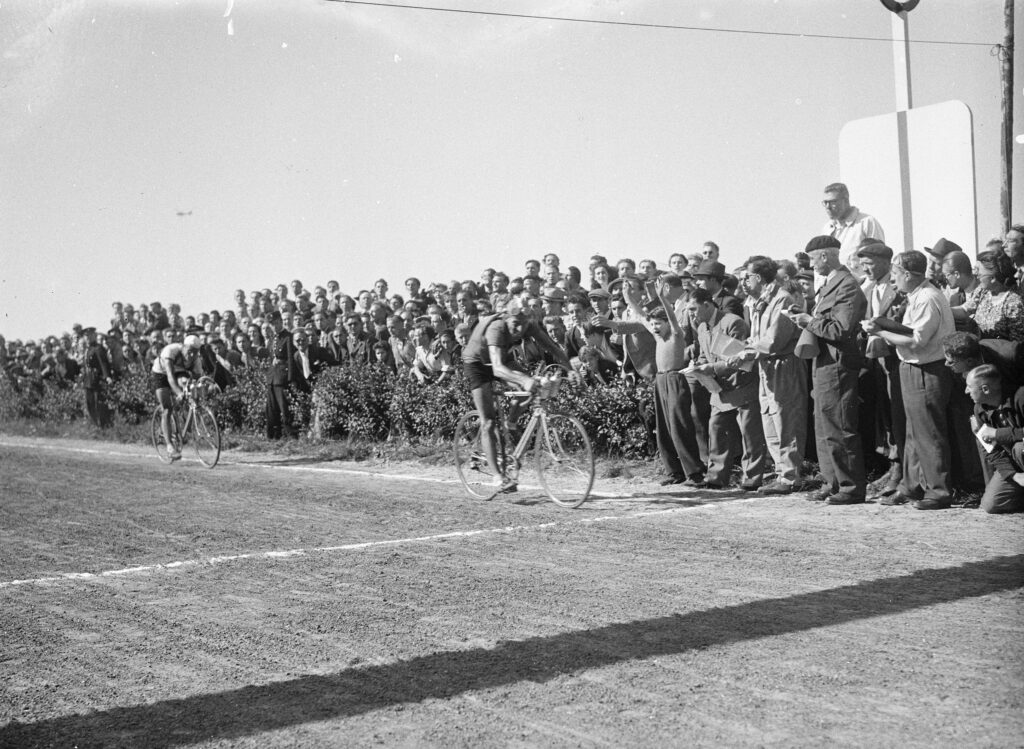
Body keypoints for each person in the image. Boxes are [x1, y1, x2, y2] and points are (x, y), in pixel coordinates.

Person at [863, 250, 956, 509]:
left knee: (929, 433)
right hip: (913, 369)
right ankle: (911, 486)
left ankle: (938, 491)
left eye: (895, 274)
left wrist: (880, 331)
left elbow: (916, 342)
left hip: (928, 370)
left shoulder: (927, 297)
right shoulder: (917, 295)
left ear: (907, 274)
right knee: (913, 433)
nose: (893, 280)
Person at [785, 236, 867, 504]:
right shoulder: (832, 284)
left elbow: (840, 329)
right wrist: (806, 318)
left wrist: (809, 320)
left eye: (813, 258)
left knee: (839, 424)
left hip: (838, 362)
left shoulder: (847, 285)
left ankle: (850, 487)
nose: (811, 264)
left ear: (825, 256)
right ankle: (832, 481)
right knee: (824, 425)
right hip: (824, 362)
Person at [461, 301, 572, 493]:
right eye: (515, 324)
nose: (519, 330)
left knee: (530, 389)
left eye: (523, 324)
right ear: (506, 319)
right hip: (477, 363)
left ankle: (510, 426)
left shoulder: (528, 325)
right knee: (488, 421)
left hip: (502, 358)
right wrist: (523, 379)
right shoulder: (497, 327)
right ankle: (498, 477)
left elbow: (552, 348)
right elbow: (497, 369)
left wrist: (571, 370)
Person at [736, 256, 808, 494]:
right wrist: (747, 347)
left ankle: (790, 476)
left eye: (747, 276)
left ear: (758, 277)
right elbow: (759, 338)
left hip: (782, 364)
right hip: (764, 365)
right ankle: (781, 473)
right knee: (769, 419)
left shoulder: (782, 299)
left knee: (785, 419)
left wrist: (746, 352)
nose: (744, 282)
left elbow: (775, 339)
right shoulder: (759, 302)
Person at [685, 288, 766, 490]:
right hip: (720, 390)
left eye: (694, 309)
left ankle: (752, 479)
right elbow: (704, 355)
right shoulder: (702, 326)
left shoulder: (733, 322)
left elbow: (737, 359)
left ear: (707, 304)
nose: (691, 314)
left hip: (743, 387)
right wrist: (698, 367)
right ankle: (716, 478)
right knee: (717, 431)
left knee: (750, 435)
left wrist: (710, 368)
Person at [857, 242, 906, 498]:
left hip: (896, 358)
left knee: (896, 412)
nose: (865, 268)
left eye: (870, 263)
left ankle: (900, 469)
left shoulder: (898, 288)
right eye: (862, 263)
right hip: (876, 358)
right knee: (884, 413)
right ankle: (891, 465)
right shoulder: (869, 289)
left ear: (886, 262)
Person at [966, 364, 1024, 513]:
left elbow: (995, 436)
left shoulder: (1020, 396)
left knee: (1020, 449)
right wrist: (1013, 475)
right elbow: (991, 449)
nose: (966, 391)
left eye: (969, 386)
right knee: (991, 504)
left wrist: (998, 434)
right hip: (1014, 463)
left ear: (985, 389)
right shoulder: (979, 409)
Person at [150, 333, 203, 461]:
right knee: (167, 409)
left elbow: (197, 380)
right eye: (189, 351)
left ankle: (186, 424)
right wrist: (179, 393)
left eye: (195, 352)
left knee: (188, 386)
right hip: (161, 373)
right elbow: (169, 377)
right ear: (183, 347)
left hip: (179, 371)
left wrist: (195, 392)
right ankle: (169, 446)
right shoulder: (171, 351)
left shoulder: (196, 359)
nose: (191, 355)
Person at [821, 182, 885, 279]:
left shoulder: (866, 223)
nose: (827, 207)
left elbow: (879, 261)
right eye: (825, 202)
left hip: (861, 289)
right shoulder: (827, 229)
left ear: (846, 201)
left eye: (832, 202)